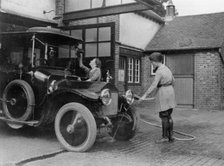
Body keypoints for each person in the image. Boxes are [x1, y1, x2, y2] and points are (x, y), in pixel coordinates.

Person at [139, 52, 176, 143]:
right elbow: (173, 81)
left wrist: (144, 95)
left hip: (163, 93)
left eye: (152, 62)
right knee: (168, 115)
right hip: (170, 92)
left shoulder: (159, 71)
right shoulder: (167, 68)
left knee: (163, 116)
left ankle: (164, 137)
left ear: (155, 61)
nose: (152, 64)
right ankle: (171, 136)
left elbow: (153, 85)